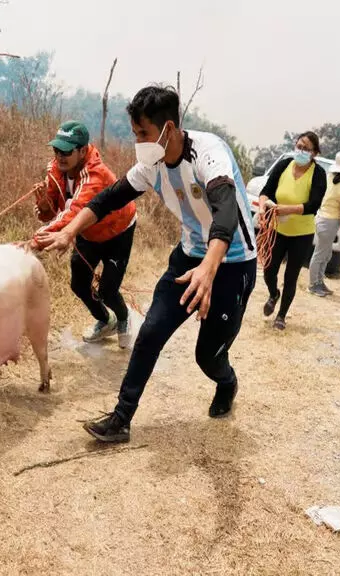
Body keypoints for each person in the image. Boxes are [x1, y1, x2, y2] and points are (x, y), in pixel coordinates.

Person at [34, 85, 257, 443]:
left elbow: (226, 212)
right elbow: (109, 198)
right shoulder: (152, 164)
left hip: (231, 264)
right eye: (135, 133)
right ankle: (121, 419)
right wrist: (68, 233)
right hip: (189, 257)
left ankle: (226, 382)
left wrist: (209, 269)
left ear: (168, 129)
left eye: (143, 133)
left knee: (208, 355)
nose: (138, 140)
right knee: (151, 331)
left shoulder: (208, 153)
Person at [32, 121, 137, 347]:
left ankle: (124, 316)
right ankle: (104, 320)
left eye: (66, 151)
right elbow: (53, 212)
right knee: (79, 284)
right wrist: (43, 207)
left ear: (82, 151)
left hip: (118, 231)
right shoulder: (54, 171)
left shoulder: (96, 175)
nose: (60, 156)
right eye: (56, 150)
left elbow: (75, 211)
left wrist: (33, 242)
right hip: (86, 232)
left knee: (108, 291)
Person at [258, 132, 327, 330]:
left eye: (306, 148)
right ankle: (273, 294)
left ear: (314, 153)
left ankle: (281, 315)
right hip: (277, 229)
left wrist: (287, 209)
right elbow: (266, 191)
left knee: (291, 275)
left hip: (301, 234)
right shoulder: (284, 165)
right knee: (269, 269)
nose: (301, 151)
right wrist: (264, 208)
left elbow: (314, 204)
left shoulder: (318, 174)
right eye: (299, 146)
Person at [308, 150, 340, 296]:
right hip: (329, 222)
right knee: (320, 254)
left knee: (326, 254)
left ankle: (319, 282)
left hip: (323, 219)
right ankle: (313, 285)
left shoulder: (328, 177)